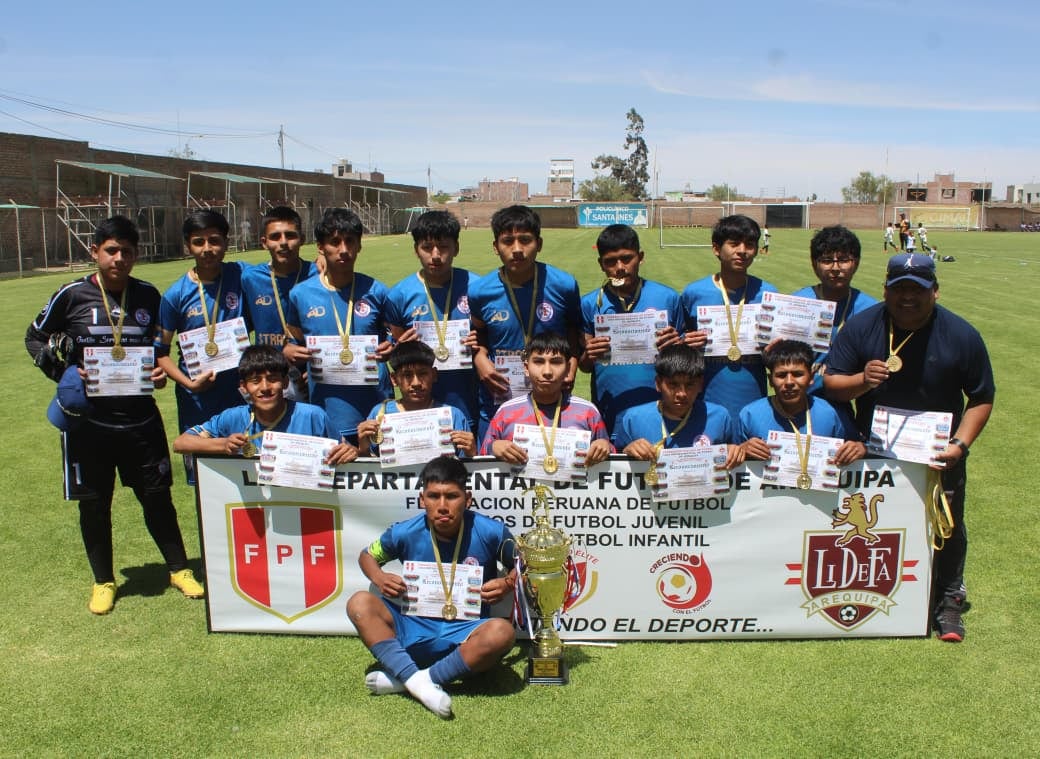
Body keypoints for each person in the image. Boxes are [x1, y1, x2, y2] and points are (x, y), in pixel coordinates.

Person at [25, 216, 204, 615]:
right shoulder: (71, 295)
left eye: (126, 251)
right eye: (111, 250)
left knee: (157, 497)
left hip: (140, 418)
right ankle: (104, 580)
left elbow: (159, 349)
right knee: (94, 502)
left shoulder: (148, 295)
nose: (119, 258)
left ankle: (178, 569)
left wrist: (160, 372)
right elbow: (34, 336)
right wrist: (63, 372)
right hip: (87, 422)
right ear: (95, 252)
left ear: (136, 254)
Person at [824, 253, 994, 642]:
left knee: (945, 524)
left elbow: (981, 397)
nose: (907, 298)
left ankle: (948, 601)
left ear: (934, 291)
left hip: (937, 452)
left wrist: (960, 444)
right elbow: (832, 384)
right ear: (885, 289)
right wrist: (862, 381)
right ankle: (885, 595)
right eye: (899, 288)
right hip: (874, 450)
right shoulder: (864, 326)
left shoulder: (962, 335)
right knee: (878, 526)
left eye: (916, 290)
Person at [346, 456, 517, 719]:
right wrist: (379, 577)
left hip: (466, 633)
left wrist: (507, 583)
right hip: (412, 626)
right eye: (434, 496)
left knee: (502, 633)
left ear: (468, 499)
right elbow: (366, 556)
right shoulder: (404, 532)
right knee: (359, 603)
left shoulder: (491, 531)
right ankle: (421, 682)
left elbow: (525, 566)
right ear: (421, 499)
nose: (443, 506)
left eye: (452, 496)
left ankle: (410, 680)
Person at [468, 205, 581, 441]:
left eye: (525, 240)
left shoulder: (564, 285)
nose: (517, 249)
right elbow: (477, 334)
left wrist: (571, 365)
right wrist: (480, 361)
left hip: (552, 395)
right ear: (495, 247)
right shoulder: (480, 291)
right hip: (499, 395)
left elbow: (574, 331)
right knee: (496, 466)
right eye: (508, 241)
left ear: (539, 244)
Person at [156, 209, 250, 483]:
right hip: (197, 398)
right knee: (204, 476)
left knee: (246, 468)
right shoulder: (176, 295)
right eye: (199, 242)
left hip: (239, 393)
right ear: (188, 245)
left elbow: (276, 271)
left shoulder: (240, 274)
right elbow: (160, 352)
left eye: (214, 240)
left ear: (226, 243)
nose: (207, 249)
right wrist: (188, 383)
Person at [285, 208, 392, 446]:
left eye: (350, 241)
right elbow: (293, 340)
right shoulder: (300, 294)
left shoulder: (377, 291)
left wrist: (391, 347)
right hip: (327, 410)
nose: (344, 250)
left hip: (375, 409)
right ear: (321, 248)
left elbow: (396, 337)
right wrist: (289, 351)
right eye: (335, 242)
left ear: (359, 246)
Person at [579, 224, 683, 440]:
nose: (620, 267)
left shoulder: (668, 298)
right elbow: (584, 366)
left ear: (640, 257)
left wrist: (678, 345)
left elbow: (686, 360)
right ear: (601, 264)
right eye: (610, 261)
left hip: (662, 406)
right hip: (611, 407)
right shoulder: (589, 304)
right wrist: (589, 354)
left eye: (627, 258)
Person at [172, 345, 357, 465]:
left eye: (273, 379)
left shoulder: (313, 416)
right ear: (243, 387)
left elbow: (348, 451)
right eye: (255, 381)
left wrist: (350, 452)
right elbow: (180, 443)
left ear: (285, 383)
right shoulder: (233, 417)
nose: (265, 388)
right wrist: (223, 444)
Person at [384, 210, 479, 431]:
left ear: (456, 247)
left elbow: (487, 338)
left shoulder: (476, 287)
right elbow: (398, 350)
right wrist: (400, 347)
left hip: (467, 401)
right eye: (427, 247)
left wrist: (479, 343)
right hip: (418, 411)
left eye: (443, 247)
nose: (435, 255)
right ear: (416, 250)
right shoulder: (400, 294)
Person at [681, 214, 778, 419]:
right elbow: (680, 344)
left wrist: (775, 348)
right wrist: (685, 343)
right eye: (734, 244)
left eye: (750, 244)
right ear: (716, 249)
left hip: (754, 400)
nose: (742, 251)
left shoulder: (769, 294)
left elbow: (780, 355)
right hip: (705, 401)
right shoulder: (694, 293)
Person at [480, 332, 612, 468]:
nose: (547, 371)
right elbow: (481, 459)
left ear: (568, 369)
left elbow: (610, 458)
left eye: (556, 362)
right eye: (538, 362)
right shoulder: (506, 412)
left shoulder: (587, 412)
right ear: (526, 368)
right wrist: (493, 447)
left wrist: (604, 446)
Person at [614, 343, 744, 469]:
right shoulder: (633, 419)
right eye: (673, 385)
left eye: (690, 385)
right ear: (658, 384)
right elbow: (614, 462)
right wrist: (627, 451)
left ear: (700, 384)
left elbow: (734, 456)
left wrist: (734, 451)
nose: (682, 393)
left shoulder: (720, 417)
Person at [738, 340, 865, 465]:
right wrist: (741, 450)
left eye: (797, 374)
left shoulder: (829, 413)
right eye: (781, 375)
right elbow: (732, 456)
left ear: (811, 378)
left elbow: (851, 449)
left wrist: (859, 448)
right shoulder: (750, 415)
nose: (789, 382)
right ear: (770, 380)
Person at [791, 225, 878, 395]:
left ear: (856, 263)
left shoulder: (870, 309)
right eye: (827, 260)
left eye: (844, 260)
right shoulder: (797, 302)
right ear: (814, 264)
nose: (836, 268)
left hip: (843, 402)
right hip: (799, 401)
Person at [241, 206, 317, 399]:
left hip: (312, 376)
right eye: (275, 237)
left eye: (290, 235)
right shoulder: (250, 278)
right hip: (268, 381)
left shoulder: (319, 275)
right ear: (264, 242)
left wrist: (321, 370)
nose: (283, 243)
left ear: (302, 238)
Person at [357, 341, 476, 458]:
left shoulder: (453, 415)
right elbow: (369, 467)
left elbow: (466, 467)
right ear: (394, 379)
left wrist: (471, 453)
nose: (416, 383)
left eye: (423, 373)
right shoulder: (380, 414)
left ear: (434, 374)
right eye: (407, 375)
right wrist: (363, 449)